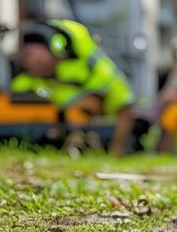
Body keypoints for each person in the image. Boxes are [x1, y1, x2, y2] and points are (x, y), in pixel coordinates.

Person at [11, 19, 136, 155]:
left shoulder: (85, 66)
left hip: (98, 95)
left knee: (98, 106)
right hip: (62, 110)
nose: (31, 62)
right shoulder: (28, 79)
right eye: (27, 56)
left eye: (37, 59)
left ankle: (113, 150)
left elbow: (111, 99)